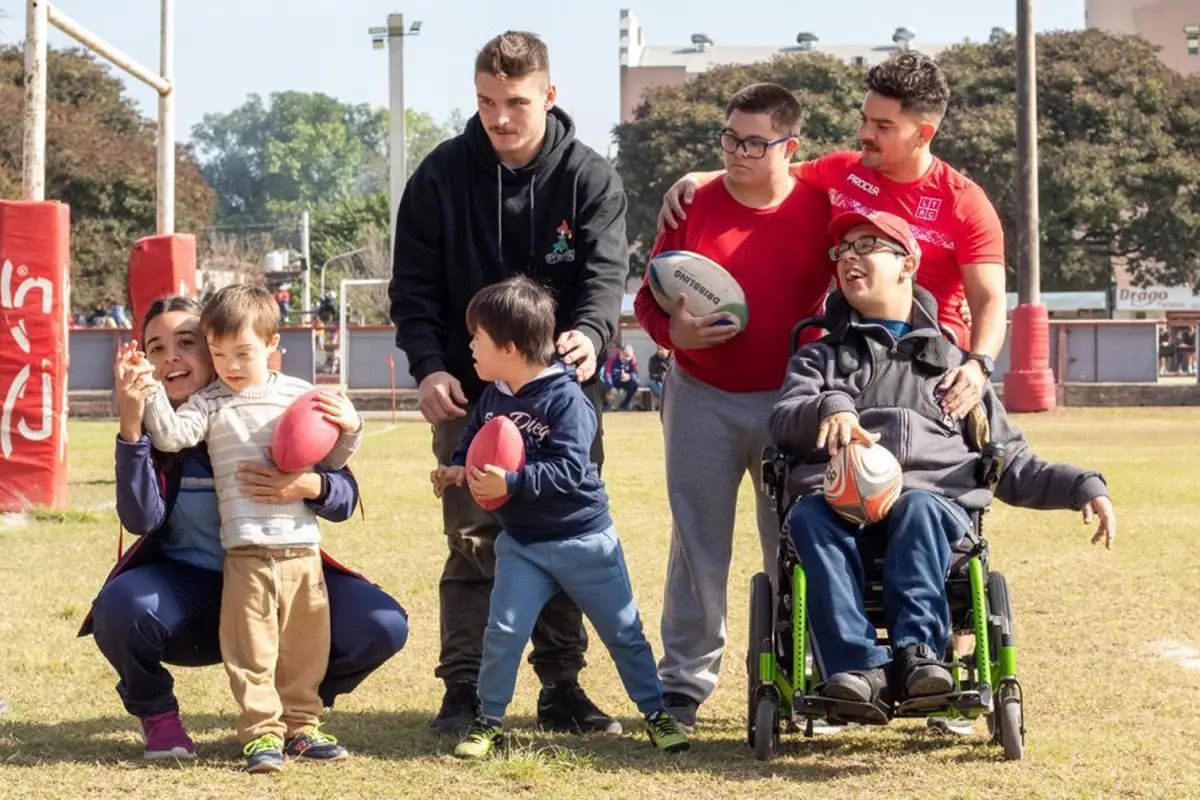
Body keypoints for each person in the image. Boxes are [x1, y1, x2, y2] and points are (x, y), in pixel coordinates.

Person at [767, 210, 1116, 720]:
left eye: (867, 245)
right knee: (808, 515)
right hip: (842, 513)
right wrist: (829, 406)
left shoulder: (956, 371)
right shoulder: (819, 361)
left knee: (919, 508)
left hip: (933, 521)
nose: (849, 257)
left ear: (908, 264)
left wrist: (1083, 485)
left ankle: (921, 659)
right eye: (842, 249)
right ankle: (855, 671)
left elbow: (1011, 461)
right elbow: (781, 421)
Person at [390, 30, 628, 736]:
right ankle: (461, 689)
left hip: (563, 398)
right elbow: (414, 291)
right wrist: (430, 367)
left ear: (549, 97)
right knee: (473, 542)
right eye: (488, 102)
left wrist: (591, 333)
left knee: (563, 540)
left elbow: (605, 278)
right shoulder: (439, 176)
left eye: (516, 102)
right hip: (467, 397)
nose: (500, 117)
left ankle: (562, 689)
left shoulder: (590, 178)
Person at [81, 295, 408, 764]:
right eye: (156, 348)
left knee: (382, 625)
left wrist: (308, 483)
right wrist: (133, 424)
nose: (171, 355)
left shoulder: (279, 402)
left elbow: (343, 495)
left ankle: (296, 718)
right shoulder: (175, 423)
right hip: (193, 596)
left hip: (290, 566)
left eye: (186, 341)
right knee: (120, 607)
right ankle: (160, 718)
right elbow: (140, 520)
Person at [633, 83, 837, 730]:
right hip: (701, 396)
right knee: (697, 545)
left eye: (754, 142)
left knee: (797, 541)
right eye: (729, 138)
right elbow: (647, 299)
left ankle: (799, 671)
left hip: (794, 401)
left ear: (790, 147)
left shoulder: (824, 207)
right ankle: (684, 687)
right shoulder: (692, 204)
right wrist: (673, 335)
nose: (738, 152)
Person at [658, 52, 1007, 426]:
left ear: (923, 134)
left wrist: (978, 366)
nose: (865, 134)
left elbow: (988, 298)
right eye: (864, 119)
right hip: (850, 367)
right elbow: (771, 168)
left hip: (928, 371)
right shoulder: (843, 169)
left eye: (883, 126)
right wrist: (699, 177)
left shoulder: (965, 203)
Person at [429, 277, 690, 759]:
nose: (469, 346)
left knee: (624, 633)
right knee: (503, 632)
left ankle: (656, 714)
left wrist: (511, 483)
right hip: (523, 545)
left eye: (476, 338)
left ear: (508, 346)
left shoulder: (567, 398)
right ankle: (488, 721)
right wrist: (458, 468)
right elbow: (477, 439)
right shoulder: (495, 393)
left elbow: (571, 469)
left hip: (584, 542)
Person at [608, 345, 640, 411]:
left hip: (626, 382)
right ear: (620, 352)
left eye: (628, 357)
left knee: (635, 384)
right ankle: (610, 406)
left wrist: (630, 376)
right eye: (624, 355)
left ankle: (625, 404)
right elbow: (607, 373)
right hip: (614, 381)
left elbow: (636, 375)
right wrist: (611, 386)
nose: (626, 359)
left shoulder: (633, 360)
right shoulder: (613, 358)